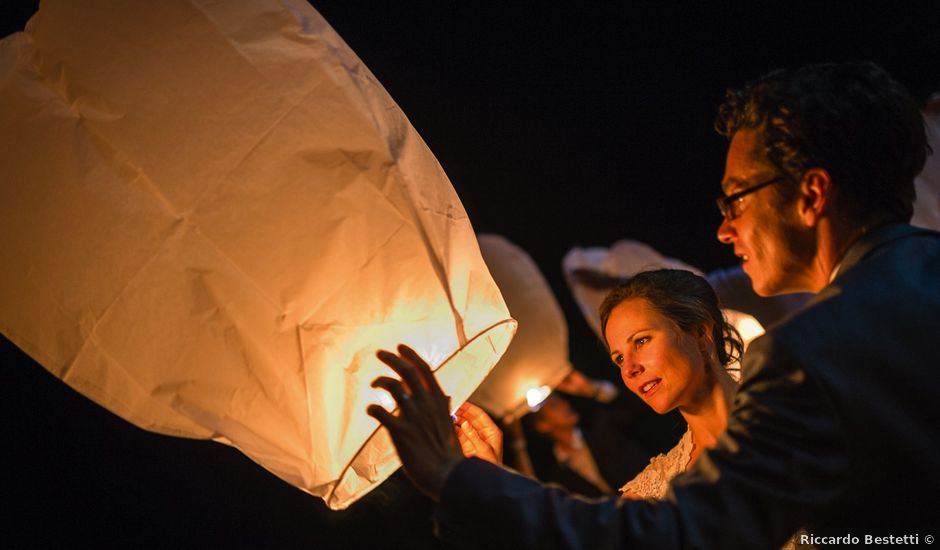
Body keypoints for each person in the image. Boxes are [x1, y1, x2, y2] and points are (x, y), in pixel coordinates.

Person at [367, 61, 939, 548]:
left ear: (811, 194)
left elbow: (687, 535)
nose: (723, 229)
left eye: (736, 197)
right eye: (617, 355)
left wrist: (454, 477)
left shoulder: (808, 356)